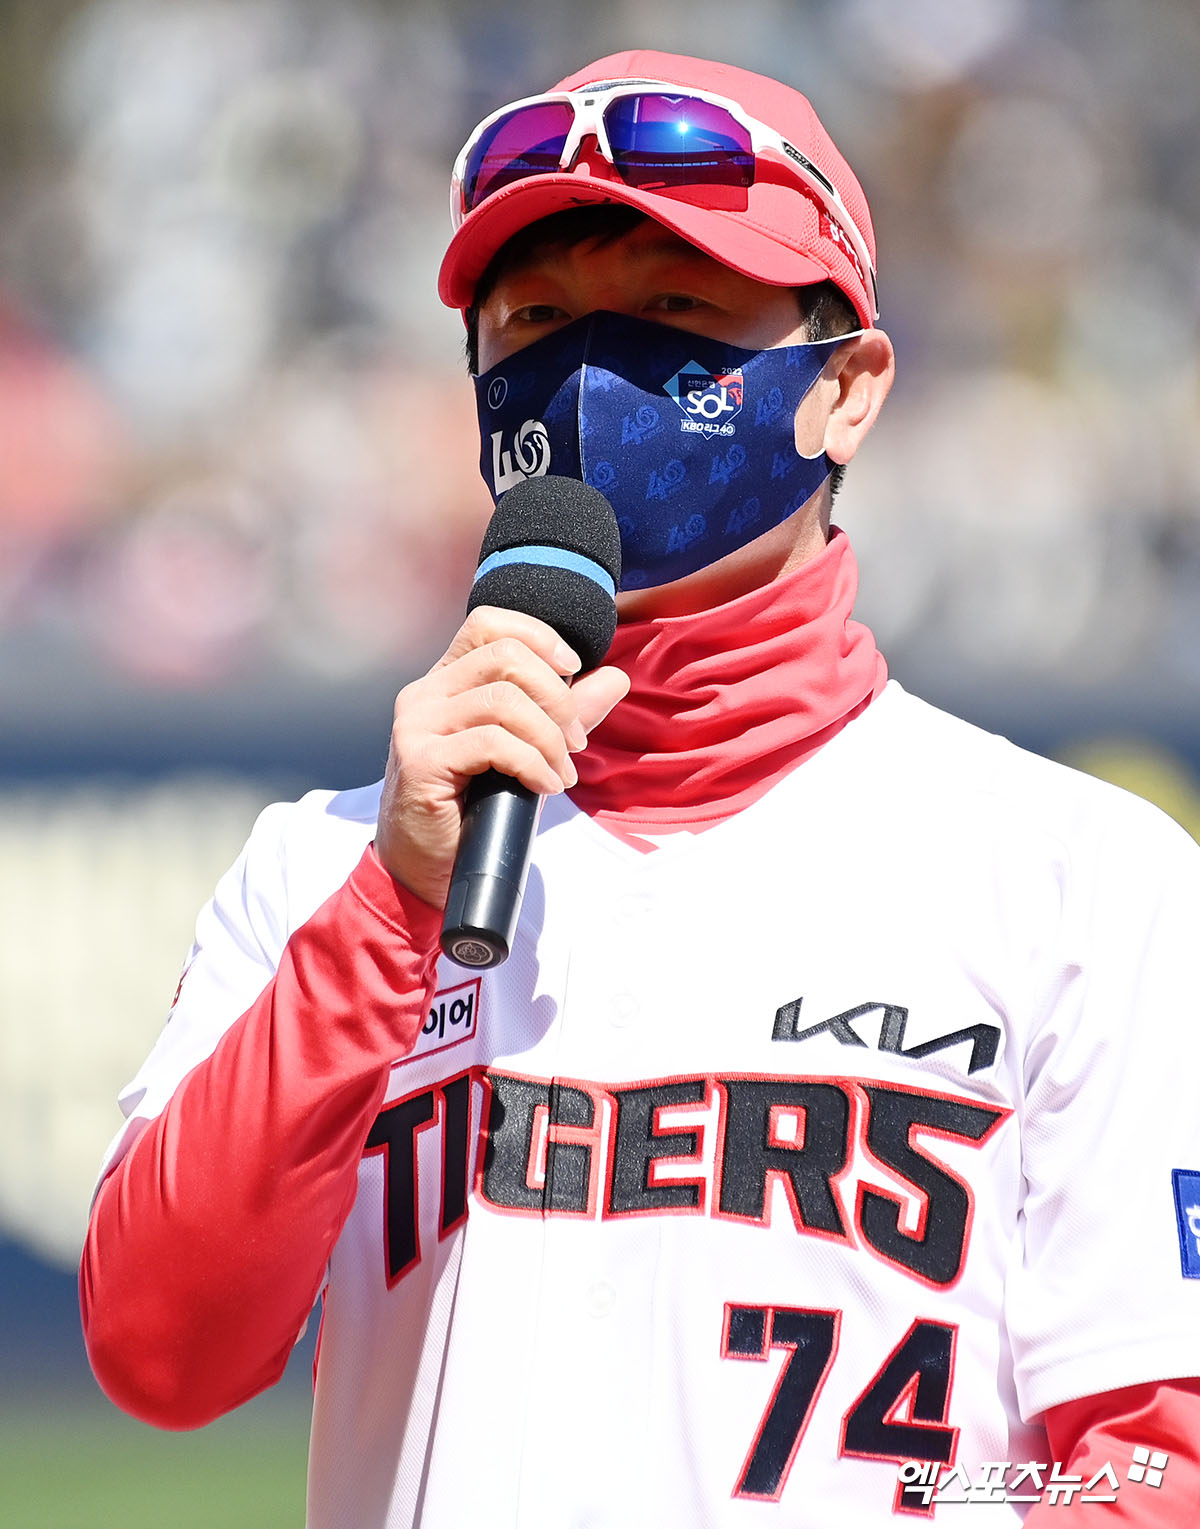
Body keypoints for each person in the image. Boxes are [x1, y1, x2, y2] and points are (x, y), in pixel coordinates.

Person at [80, 49, 1200, 1527]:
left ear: (846, 389)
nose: (594, 375)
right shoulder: (324, 867)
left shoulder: (1080, 876)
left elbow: (1149, 1461)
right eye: (538, 321)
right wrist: (389, 913)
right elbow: (161, 1352)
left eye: (677, 311)